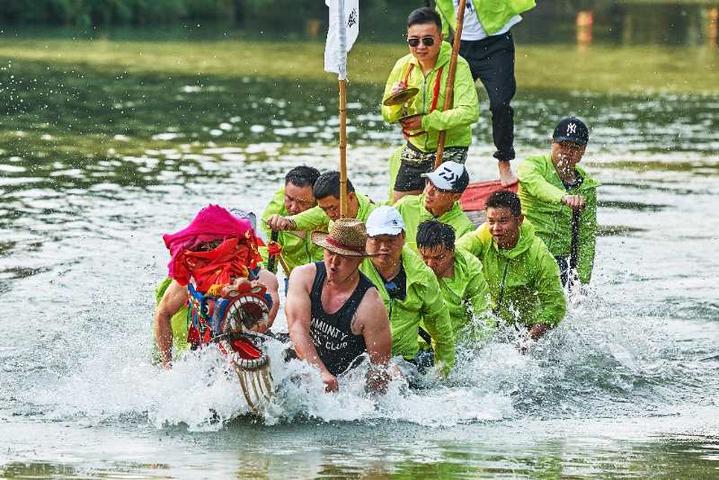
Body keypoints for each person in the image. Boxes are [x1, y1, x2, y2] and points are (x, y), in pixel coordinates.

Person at [154, 205, 280, 367]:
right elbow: (162, 314)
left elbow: (265, 322)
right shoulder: (192, 278)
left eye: (240, 242)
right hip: (204, 355)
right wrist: (167, 366)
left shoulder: (265, 279)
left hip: (251, 349)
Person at [382, 7, 479, 203]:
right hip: (416, 146)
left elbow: (470, 113)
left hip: (451, 146)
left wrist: (426, 122)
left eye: (428, 40)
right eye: (413, 41)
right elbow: (388, 116)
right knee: (401, 205)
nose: (420, 47)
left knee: (436, 204)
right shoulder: (403, 66)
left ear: (441, 37)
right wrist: (396, 101)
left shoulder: (457, 65)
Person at [435, 0, 536, 186]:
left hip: (496, 44)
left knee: (500, 104)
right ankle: (443, 162)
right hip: (461, 45)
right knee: (447, 103)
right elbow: (440, 8)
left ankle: (504, 162)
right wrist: (438, 36)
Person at [285, 218, 391, 393]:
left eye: (343, 257)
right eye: (329, 253)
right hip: (302, 367)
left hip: (346, 385)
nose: (333, 263)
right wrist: (321, 373)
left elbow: (379, 367)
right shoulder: (303, 276)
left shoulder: (371, 305)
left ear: (359, 261)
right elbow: (297, 328)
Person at [360, 206, 456, 375]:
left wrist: (444, 376)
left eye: (390, 240)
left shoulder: (423, 276)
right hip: (359, 356)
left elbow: (442, 332)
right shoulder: (353, 266)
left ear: (403, 237)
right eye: (376, 240)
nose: (383, 247)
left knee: (390, 376)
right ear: (366, 239)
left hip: (403, 361)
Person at [457, 191, 565, 340]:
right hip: (488, 321)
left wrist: (527, 341)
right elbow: (454, 253)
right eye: (491, 221)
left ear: (519, 220)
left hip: (524, 328)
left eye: (503, 221)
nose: (496, 228)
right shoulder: (483, 236)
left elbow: (555, 306)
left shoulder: (539, 254)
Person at [517, 117, 599, 285]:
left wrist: (581, 284)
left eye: (574, 147)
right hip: (525, 251)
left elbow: (586, 238)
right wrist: (563, 197)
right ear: (552, 143)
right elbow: (537, 186)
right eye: (563, 145)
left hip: (558, 261)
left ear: (583, 150)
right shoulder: (532, 165)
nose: (567, 152)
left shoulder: (587, 187)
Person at [416, 220, 491, 338]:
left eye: (438, 258)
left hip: (456, 342)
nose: (430, 264)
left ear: (452, 251)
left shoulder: (471, 272)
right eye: (425, 257)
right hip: (420, 341)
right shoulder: (410, 267)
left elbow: (484, 316)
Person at [394, 160, 475, 250]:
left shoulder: (464, 228)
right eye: (430, 182)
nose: (429, 191)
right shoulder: (404, 206)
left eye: (439, 189)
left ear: (455, 197)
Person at [266, 171, 376, 235]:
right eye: (324, 209)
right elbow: (310, 216)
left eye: (333, 208)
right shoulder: (327, 212)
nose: (330, 215)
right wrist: (287, 221)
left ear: (351, 197)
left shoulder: (376, 217)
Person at [260, 165, 323, 273]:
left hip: (327, 273)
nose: (293, 208)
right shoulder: (272, 216)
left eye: (302, 203)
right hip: (294, 275)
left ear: (316, 199)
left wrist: (291, 221)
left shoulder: (327, 207)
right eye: (289, 199)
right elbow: (266, 259)